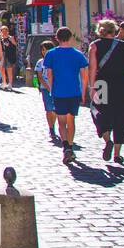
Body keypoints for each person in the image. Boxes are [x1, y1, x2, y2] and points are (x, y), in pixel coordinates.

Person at [87, 19, 124, 164]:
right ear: (114, 31)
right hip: (122, 84)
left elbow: (92, 69)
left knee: (99, 112)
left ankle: (107, 140)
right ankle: (117, 154)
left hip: (102, 84)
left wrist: (92, 87)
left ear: (100, 31)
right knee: (121, 117)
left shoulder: (94, 46)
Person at [41, 26, 90, 165]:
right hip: (74, 91)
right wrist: (83, 91)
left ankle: (66, 147)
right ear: (70, 37)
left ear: (56, 38)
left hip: (59, 92)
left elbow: (49, 74)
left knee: (61, 121)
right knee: (71, 120)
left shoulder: (51, 54)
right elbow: (84, 75)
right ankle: (71, 145)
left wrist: (51, 89)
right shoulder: (78, 54)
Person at [34, 40, 59, 143]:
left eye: (46, 49)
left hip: (57, 88)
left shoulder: (57, 60)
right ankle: (51, 128)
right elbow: (40, 77)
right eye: (43, 50)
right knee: (49, 109)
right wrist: (47, 88)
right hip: (45, 89)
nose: (44, 51)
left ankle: (54, 125)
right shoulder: (40, 62)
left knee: (55, 110)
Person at [0, 25, 19, 90]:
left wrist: (12, 41)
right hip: (2, 55)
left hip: (9, 55)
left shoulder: (10, 38)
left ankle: (10, 83)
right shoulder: (0, 39)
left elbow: (15, 45)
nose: (4, 32)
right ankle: (4, 82)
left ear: (8, 31)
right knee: (2, 69)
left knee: (9, 69)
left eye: (6, 30)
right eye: (3, 31)